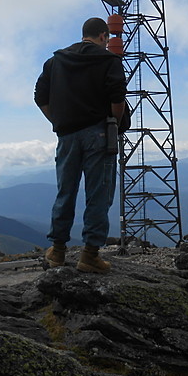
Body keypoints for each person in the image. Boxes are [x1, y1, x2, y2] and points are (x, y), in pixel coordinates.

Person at [34, 17, 127, 273]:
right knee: (99, 194)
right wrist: (114, 124)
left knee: (66, 191)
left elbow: (39, 96)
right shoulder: (108, 60)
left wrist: (58, 120)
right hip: (98, 134)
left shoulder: (56, 61)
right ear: (103, 36)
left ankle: (58, 252)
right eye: (106, 38)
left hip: (66, 136)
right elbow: (118, 97)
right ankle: (90, 255)